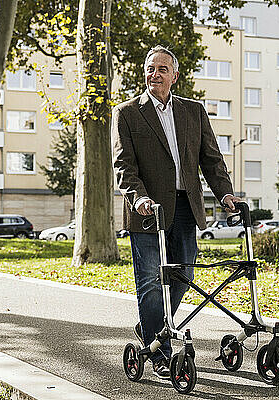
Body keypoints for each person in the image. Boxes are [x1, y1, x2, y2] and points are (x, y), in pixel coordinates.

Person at [111, 45, 240, 379]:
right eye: (150, 69)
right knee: (153, 280)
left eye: (162, 69)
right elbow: (124, 166)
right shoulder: (127, 113)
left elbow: (211, 159)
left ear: (175, 75)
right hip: (147, 211)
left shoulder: (193, 111)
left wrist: (225, 194)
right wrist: (137, 197)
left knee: (184, 276)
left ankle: (151, 327)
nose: (155, 74)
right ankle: (161, 353)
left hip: (185, 206)